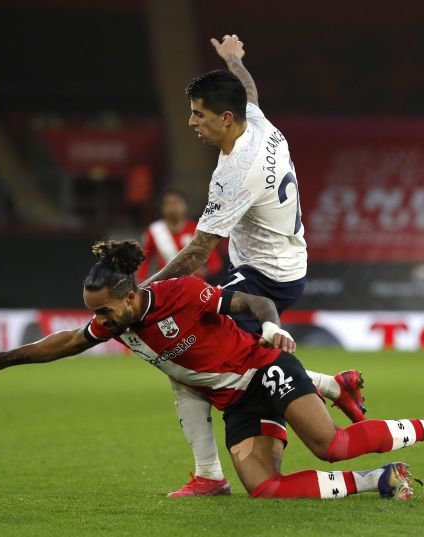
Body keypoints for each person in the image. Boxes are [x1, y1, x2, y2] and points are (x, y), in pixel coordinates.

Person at [0, 240, 424, 500]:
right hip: (235, 400)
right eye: (94, 311)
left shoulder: (183, 293)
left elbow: (251, 303)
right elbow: (65, 342)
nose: (97, 320)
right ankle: (380, 480)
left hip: (264, 368)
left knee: (329, 445)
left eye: (104, 308)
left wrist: (270, 329)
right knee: (263, 489)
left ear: (130, 296)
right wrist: (1, 359)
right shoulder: (116, 324)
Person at [141, 35, 366, 497]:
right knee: (194, 357)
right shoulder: (257, 123)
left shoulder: (235, 173)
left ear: (225, 118)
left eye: (198, 113)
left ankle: (213, 473)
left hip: (265, 275)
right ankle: (327, 389)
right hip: (282, 261)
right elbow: (251, 93)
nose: (191, 122)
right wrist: (233, 60)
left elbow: (199, 251)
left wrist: (143, 294)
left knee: (189, 354)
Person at [135, 188, 223, 284]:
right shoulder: (154, 231)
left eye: (176, 203)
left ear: (185, 206)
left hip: (196, 288)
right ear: (162, 208)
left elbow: (215, 262)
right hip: (166, 287)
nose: (173, 207)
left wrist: (204, 271)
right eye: (168, 204)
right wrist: (142, 285)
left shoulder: (198, 230)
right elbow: (143, 262)